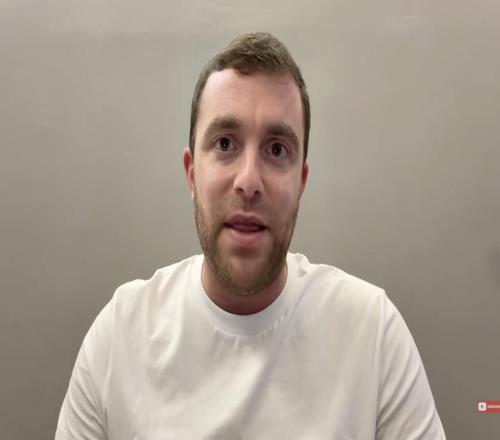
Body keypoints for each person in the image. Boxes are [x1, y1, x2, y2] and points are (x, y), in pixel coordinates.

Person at [55, 32, 446, 439]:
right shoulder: (119, 336)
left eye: (276, 150)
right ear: (192, 173)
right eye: (225, 143)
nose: (248, 181)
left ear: (301, 182)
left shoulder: (372, 334)